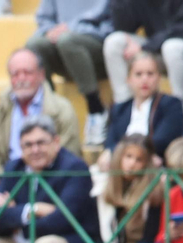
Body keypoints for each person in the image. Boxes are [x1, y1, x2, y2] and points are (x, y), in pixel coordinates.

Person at [23, 0, 115, 148]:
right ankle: (49, 110)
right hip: (63, 45)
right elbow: (43, 18)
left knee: (67, 41)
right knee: (34, 45)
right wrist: (50, 31)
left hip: (97, 48)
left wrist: (73, 29)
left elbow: (112, 24)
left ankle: (96, 109)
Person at [0, 48, 81, 171]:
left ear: (41, 74)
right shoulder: (0, 111)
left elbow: (69, 153)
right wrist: (5, 182)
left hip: (51, 182)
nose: (21, 79)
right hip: (10, 182)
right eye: (15, 74)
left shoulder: (62, 109)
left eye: (27, 73)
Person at [103, 0, 183, 109]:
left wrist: (145, 46)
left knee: (171, 47)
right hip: (156, 48)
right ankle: (124, 112)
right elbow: (123, 26)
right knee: (115, 42)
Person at [101, 49, 183, 165]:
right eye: (138, 74)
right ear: (128, 79)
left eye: (150, 74)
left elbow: (162, 141)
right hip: (122, 167)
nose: (144, 79)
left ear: (159, 77)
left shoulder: (171, 105)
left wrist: (122, 153)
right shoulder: (119, 109)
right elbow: (110, 143)